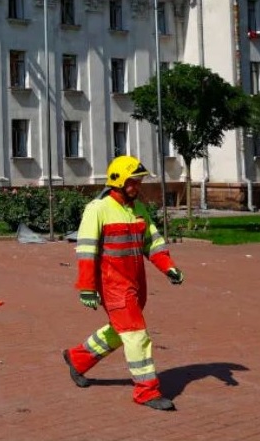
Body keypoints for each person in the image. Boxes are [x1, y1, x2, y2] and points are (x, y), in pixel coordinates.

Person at [62, 155, 184, 411]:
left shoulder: (138, 209)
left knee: (120, 331)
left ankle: (77, 358)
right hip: (113, 286)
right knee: (137, 336)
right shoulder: (98, 209)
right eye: (133, 182)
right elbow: (86, 251)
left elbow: (153, 243)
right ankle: (146, 391)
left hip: (136, 285)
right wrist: (86, 287)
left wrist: (169, 268)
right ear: (117, 181)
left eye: (139, 182)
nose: (137, 187)